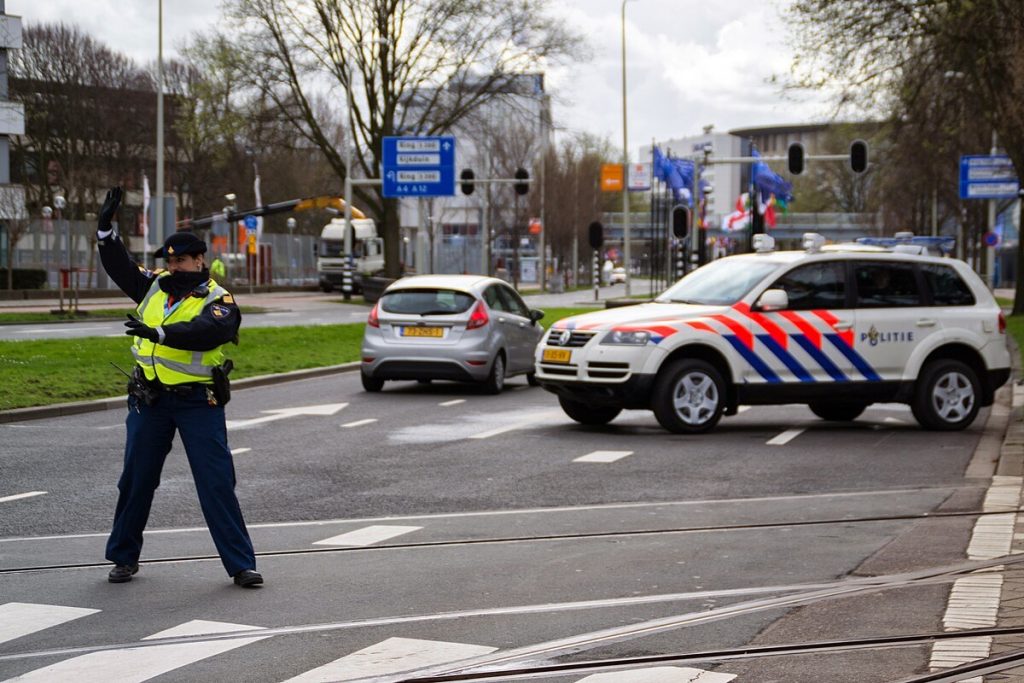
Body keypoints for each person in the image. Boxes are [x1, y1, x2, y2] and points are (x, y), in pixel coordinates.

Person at [95, 187, 262, 588]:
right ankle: (123, 557)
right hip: (149, 400)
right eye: (170, 262)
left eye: (182, 261)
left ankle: (241, 565)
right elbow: (121, 268)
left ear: (200, 260)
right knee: (136, 479)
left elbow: (208, 331)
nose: (174, 267)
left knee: (215, 482)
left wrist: (161, 332)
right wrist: (105, 231)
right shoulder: (155, 286)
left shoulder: (219, 298)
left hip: (197, 403)